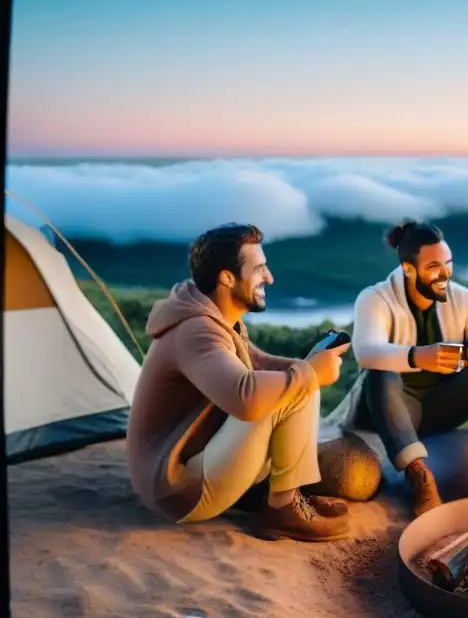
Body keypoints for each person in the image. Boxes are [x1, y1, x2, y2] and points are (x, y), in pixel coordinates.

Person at [126, 223, 353, 542]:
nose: (270, 278)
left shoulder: (214, 317)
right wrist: (310, 373)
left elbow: (258, 363)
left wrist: (308, 364)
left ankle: (279, 496)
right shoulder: (197, 331)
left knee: (296, 380)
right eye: (259, 269)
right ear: (227, 278)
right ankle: (284, 508)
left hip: (189, 464)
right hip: (176, 489)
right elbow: (244, 396)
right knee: (294, 390)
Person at [325, 220, 468, 517]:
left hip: (439, 405)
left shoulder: (462, 298)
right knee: (380, 372)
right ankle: (420, 479)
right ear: (408, 269)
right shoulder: (375, 299)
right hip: (391, 407)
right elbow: (366, 352)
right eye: (433, 267)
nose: (444, 273)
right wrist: (417, 357)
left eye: (448, 264)